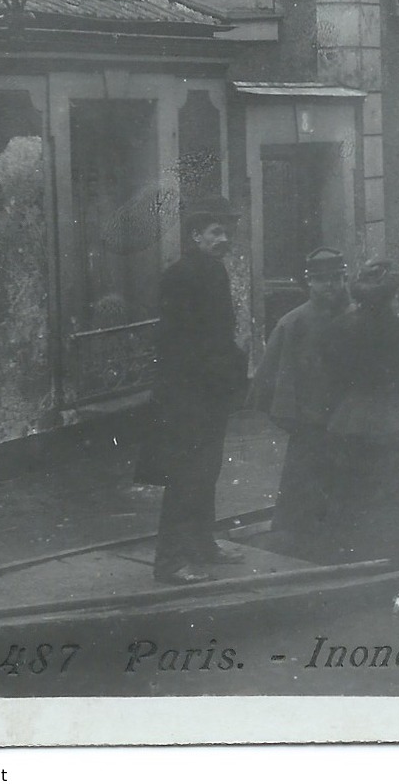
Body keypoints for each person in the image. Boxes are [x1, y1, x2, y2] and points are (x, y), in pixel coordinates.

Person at [149, 195, 248, 585]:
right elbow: (180, 340)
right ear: (196, 236)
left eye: (226, 232)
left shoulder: (212, 270)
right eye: (216, 232)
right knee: (185, 475)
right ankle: (170, 562)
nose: (224, 239)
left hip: (208, 392)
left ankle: (202, 544)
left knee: (206, 471)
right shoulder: (183, 275)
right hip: (187, 394)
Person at [322, 257, 399, 554]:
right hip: (396, 418)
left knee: (352, 489)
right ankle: (394, 549)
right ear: (393, 295)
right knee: (394, 489)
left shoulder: (338, 328)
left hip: (350, 417)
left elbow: (331, 377)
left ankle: (351, 549)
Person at [248, 247, 351, 536]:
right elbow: (268, 381)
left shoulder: (358, 317)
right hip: (310, 424)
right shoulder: (293, 323)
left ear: (346, 278)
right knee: (302, 490)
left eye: (336, 278)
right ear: (309, 282)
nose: (330, 285)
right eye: (322, 279)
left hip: (352, 422)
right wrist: (293, 417)